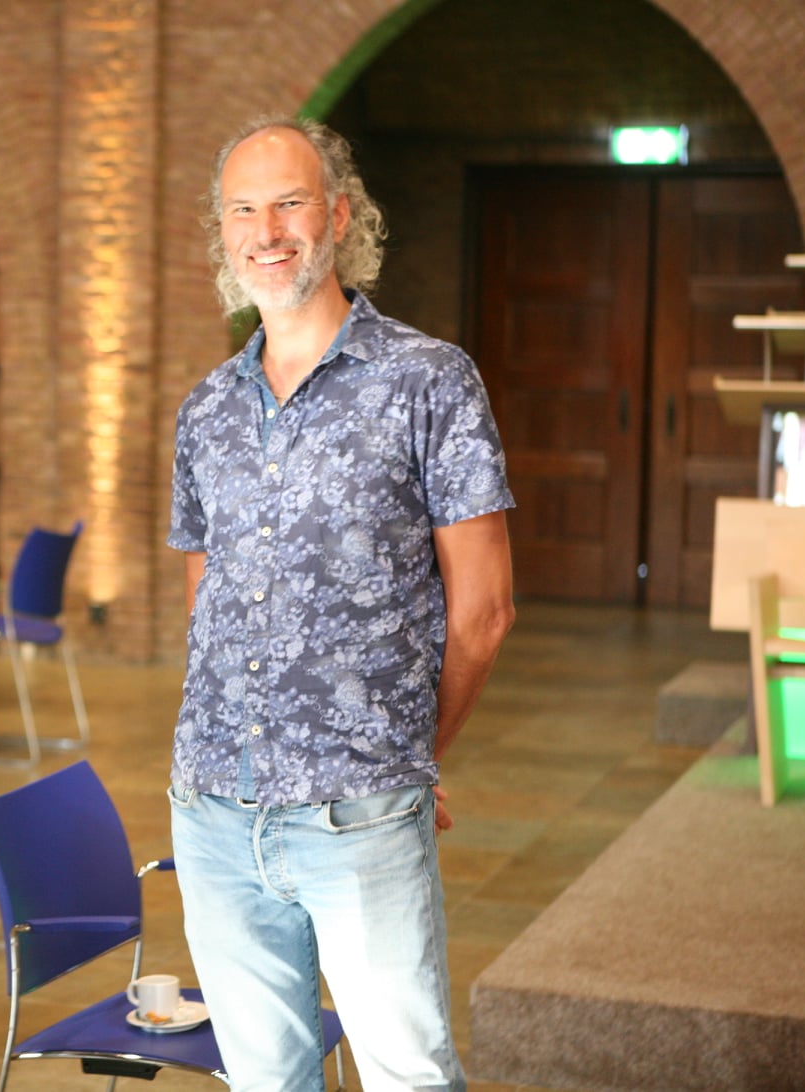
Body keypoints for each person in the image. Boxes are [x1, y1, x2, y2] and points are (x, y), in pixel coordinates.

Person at [166, 116, 516, 1091]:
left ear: (339, 215)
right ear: (223, 231)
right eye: (243, 210)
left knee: (407, 1075)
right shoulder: (207, 408)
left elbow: (485, 610)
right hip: (213, 813)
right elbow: (205, 596)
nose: (266, 231)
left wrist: (408, 752)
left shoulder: (428, 381)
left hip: (358, 814)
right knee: (265, 1080)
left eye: (289, 203)